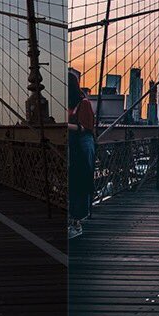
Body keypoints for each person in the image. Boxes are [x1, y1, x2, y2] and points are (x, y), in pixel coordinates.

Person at [68, 71, 95, 239]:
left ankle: (77, 222)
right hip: (73, 145)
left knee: (80, 181)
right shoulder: (69, 104)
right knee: (74, 182)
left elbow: (85, 127)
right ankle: (73, 220)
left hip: (83, 145)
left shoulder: (83, 103)